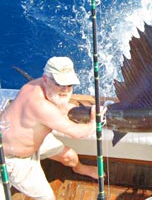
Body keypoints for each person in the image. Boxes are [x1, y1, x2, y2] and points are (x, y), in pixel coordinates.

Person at [0, 56, 100, 200]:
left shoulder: (38, 85)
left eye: (70, 84)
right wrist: (93, 122)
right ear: (46, 78)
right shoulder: (41, 106)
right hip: (13, 157)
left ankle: (81, 168)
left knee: (69, 156)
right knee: (47, 198)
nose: (65, 89)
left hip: (31, 140)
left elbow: (61, 106)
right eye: (60, 83)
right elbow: (77, 133)